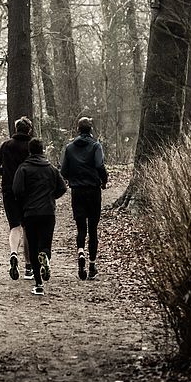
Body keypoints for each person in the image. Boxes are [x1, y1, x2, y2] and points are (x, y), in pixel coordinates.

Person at [12, 139, 67, 295]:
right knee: (45, 244)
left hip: (30, 212)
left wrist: (25, 201)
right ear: (43, 150)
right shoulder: (51, 169)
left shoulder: (23, 169)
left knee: (34, 247)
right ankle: (46, 257)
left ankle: (38, 284)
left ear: (30, 151)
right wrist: (51, 197)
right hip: (48, 212)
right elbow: (62, 188)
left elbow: (16, 190)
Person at [60, 117, 108, 280]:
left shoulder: (69, 148)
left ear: (78, 129)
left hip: (77, 191)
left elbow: (64, 171)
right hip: (93, 190)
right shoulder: (96, 146)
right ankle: (92, 265)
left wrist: (73, 177)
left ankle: (81, 252)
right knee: (93, 229)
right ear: (91, 129)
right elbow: (99, 165)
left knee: (81, 227)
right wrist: (104, 180)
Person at [0, 116, 34, 280]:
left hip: (9, 191)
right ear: (29, 130)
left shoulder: (6, 145)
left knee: (15, 226)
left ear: (16, 129)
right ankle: (28, 267)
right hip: (28, 191)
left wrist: (8, 173)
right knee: (28, 227)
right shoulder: (32, 146)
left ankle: (13, 254)